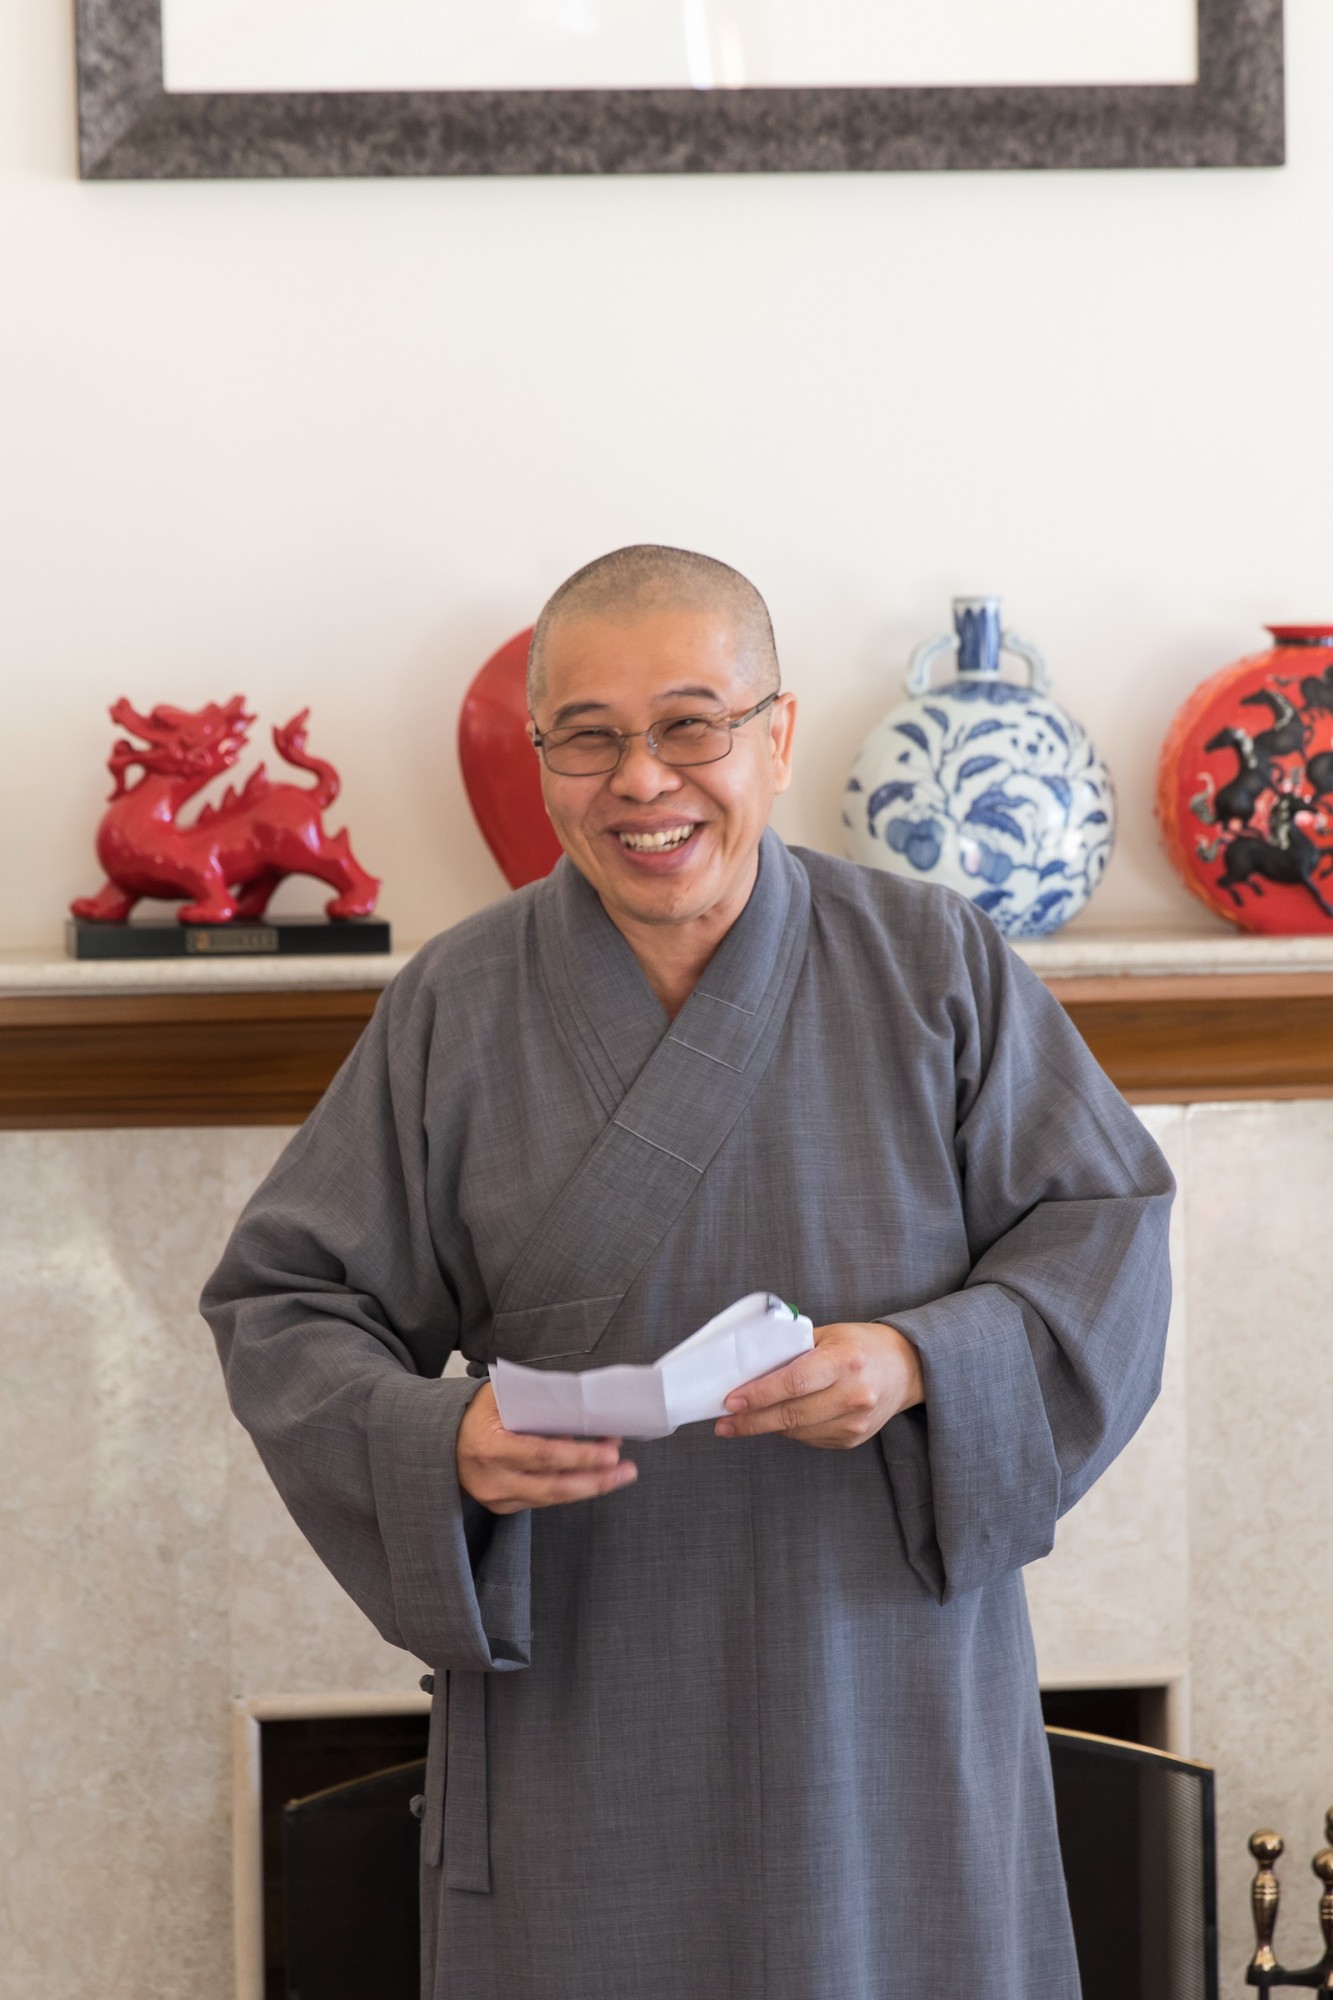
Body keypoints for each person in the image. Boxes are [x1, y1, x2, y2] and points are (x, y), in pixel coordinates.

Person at [203, 544, 1173, 2000]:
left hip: (880, 1701)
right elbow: (282, 1306)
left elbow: (1105, 1232)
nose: (641, 780)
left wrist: (913, 1363)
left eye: (690, 725)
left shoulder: (933, 965)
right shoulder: (454, 1007)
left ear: (774, 738)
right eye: (587, 737)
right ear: (543, 765)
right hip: (583, 1698)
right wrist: (440, 1438)